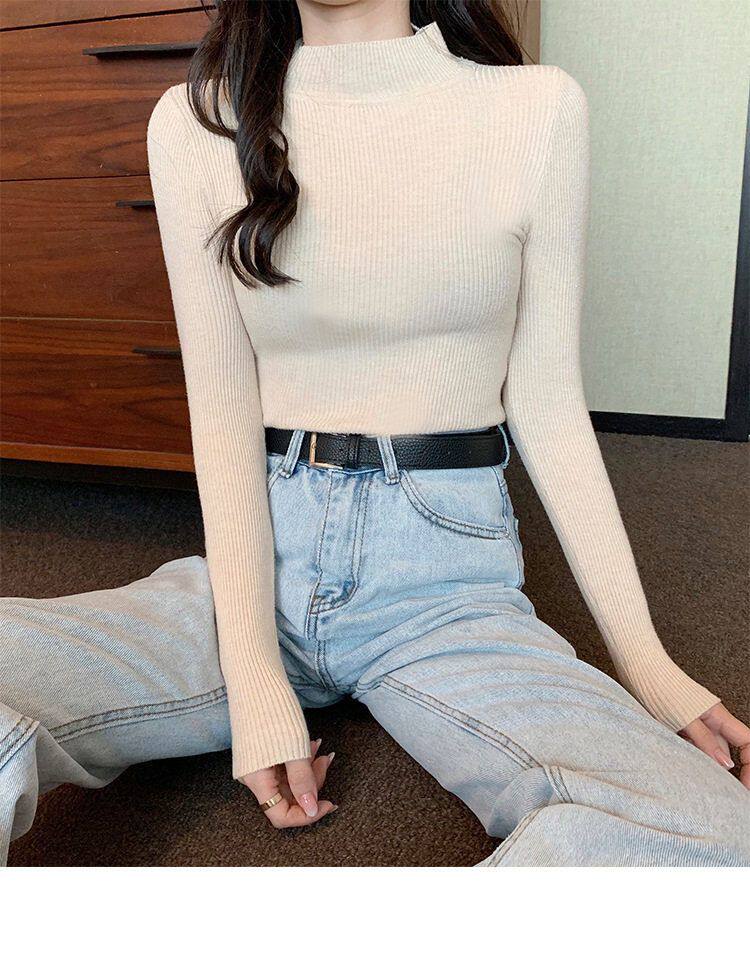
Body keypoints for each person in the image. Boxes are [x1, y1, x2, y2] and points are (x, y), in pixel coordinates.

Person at [1, 0, 748, 867]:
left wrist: (649, 665)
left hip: (444, 583)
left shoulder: (537, 108)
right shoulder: (195, 121)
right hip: (262, 563)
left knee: (714, 842)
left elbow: (548, 403)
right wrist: (256, 680)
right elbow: (221, 408)